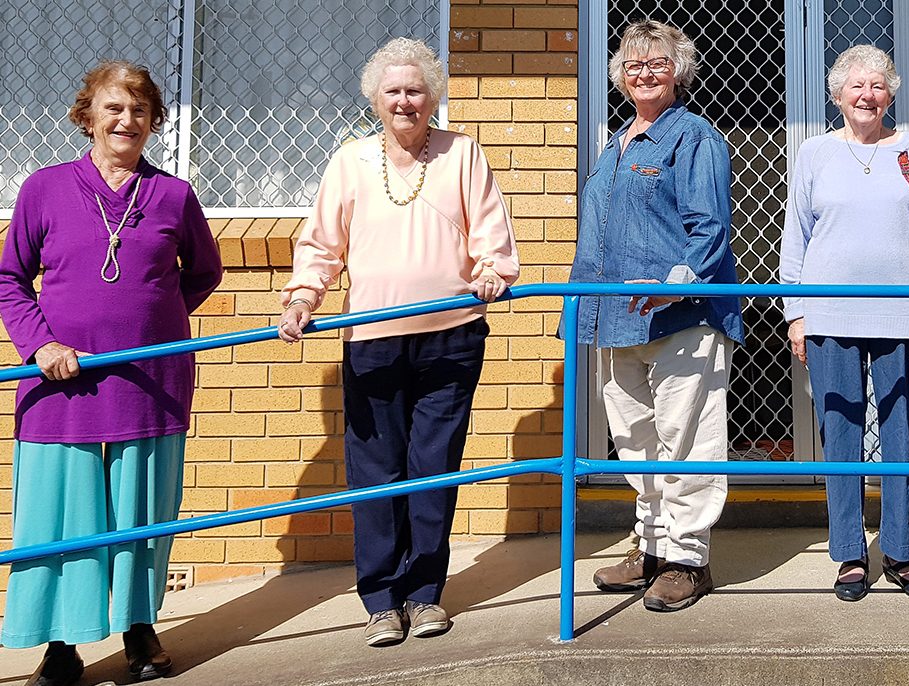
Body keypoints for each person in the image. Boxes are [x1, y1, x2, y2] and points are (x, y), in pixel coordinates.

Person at [277, 37, 518, 647]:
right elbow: (322, 244)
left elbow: (491, 230)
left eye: (416, 90)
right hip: (374, 341)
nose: (405, 101)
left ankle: (425, 594)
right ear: (375, 100)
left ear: (432, 98)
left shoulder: (462, 153)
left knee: (432, 467)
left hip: (450, 337)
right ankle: (381, 599)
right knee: (377, 470)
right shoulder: (350, 162)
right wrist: (306, 295)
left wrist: (492, 270)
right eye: (394, 91)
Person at [0, 61, 223, 684]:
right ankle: (62, 646)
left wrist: (152, 327)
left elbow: (203, 273)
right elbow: (9, 279)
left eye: (140, 110)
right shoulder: (44, 188)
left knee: (140, 514)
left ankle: (138, 629)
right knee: (62, 516)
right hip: (58, 385)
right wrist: (41, 345)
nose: (127, 120)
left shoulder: (174, 195)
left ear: (154, 121)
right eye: (113, 108)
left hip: (148, 382)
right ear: (88, 115)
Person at [566, 20, 744, 612]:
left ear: (678, 72)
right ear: (617, 75)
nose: (643, 72)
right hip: (615, 318)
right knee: (635, 441)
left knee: (687, 439)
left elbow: (711, 226)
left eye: (658, 63)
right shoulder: (615, 145)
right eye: (633, 63)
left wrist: (680, 283)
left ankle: (689, 559)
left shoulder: (693, 135)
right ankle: (652, 544)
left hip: (679, 318)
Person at [780, 45, 909, 604]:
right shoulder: (813, 153)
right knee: (842, 435)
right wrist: (797, 313)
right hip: (831, 312)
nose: (867, 94)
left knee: (905, 434)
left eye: (878, 85)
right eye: (856, 85)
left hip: (906, 314)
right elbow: (796, 235)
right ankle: (850, 555)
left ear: (892, 93)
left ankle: (902, 553)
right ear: (837, 95)